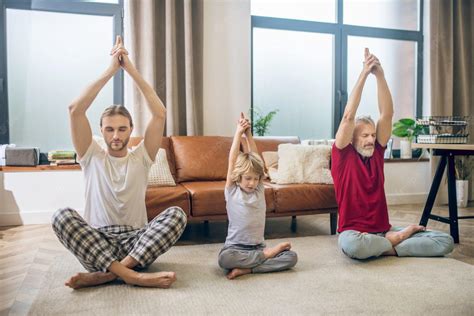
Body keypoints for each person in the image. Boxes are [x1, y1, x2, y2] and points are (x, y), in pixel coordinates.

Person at [51, 36, 187, 289]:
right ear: (101, 131)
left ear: (131, 129)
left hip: (136, 243)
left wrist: (130, 69)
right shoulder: (91, 154)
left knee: (177, 214)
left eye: (122, 129)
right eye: (110, 129)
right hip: (98, 242)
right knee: (61, 216)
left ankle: (109, 274)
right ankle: (132, 275)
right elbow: (75, 110)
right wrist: (111, 70)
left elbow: (160, 113)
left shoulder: (142, 156)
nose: (116, 136)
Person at [332, 48, 454, 260]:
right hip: (354, 233)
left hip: (382, 230)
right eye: (364, 136)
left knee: (445, 241)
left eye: (373, 134)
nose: (371, 140)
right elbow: (348, 116)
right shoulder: (343, 157)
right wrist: (364, 73)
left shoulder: (377, 153)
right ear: (351, 139)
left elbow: (386, 114)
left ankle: (385, 245)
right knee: (354, 247)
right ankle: (397, 241)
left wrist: (379, 73)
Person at [218, 113, 298, 279]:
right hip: (235, 248)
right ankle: (265, 259)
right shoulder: (232, 190)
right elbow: (232, 161)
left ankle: (249, 269)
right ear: (238, 177)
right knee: (224, 260)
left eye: (255, 179)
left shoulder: (258, 190)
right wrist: (239, 132)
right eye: (248, 179)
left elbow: (257, 161)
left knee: (291, 258)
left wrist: (249, 134)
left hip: (258, 247)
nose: (252, 183)